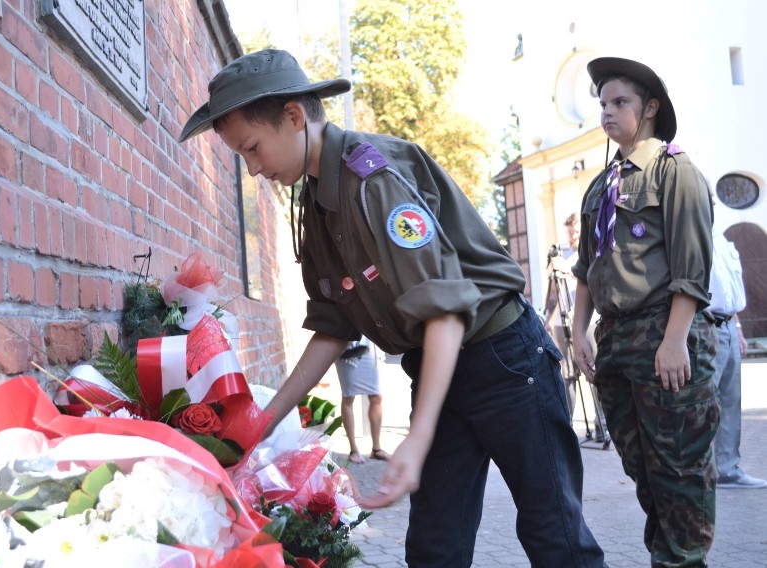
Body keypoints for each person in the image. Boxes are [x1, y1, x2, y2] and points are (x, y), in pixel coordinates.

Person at [179, 49, 606, 567]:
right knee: (434, 547)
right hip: (437, 365)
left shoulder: (370, 177)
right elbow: (333, 327)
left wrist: (417, 435)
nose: (253, 169)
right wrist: (265, 420)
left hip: (504, 360)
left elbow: (444, 310)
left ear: (293, 117)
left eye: (252, 148)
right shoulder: (314, 202)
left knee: (555, 536)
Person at [571, 57, 719, 567]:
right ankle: (667, 556)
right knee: (644, 469)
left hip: (663, 334)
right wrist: (578, 330)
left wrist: (676, 339)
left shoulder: (674, 171)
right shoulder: (601, 185)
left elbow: (691, 264)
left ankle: (682, 560)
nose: (607, 113)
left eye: (620, 102)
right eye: (603, 104)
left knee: (679, 470)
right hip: (616, 342)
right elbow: (587, 267)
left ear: (650, 108)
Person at [708, 225, 766, 489]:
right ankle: (698, 472)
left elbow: (729, 287)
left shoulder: (720, 238)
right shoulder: (689, 233)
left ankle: (728, 470)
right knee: (704, 404)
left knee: (731, 401)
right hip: (705, 325)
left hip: (729, 324)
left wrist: (739, 329)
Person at [545, 213, 607, 443]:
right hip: (563, 324)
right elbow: (553, 296)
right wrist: (547, 320)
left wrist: (567, 273)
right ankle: (567, 428)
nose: (572, 235)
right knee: (567, 376)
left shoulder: (588, 252)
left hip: (587, 321)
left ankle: (602, 425)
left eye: (575, 230)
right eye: (570, 231)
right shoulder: (561, 256)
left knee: (594, 370)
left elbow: (589, 283)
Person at [334, 339, 390, 464]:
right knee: (348, 397)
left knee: (376, 397)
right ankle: (353, 450)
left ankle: (376, 449)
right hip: (346, 345)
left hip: (368, 343)